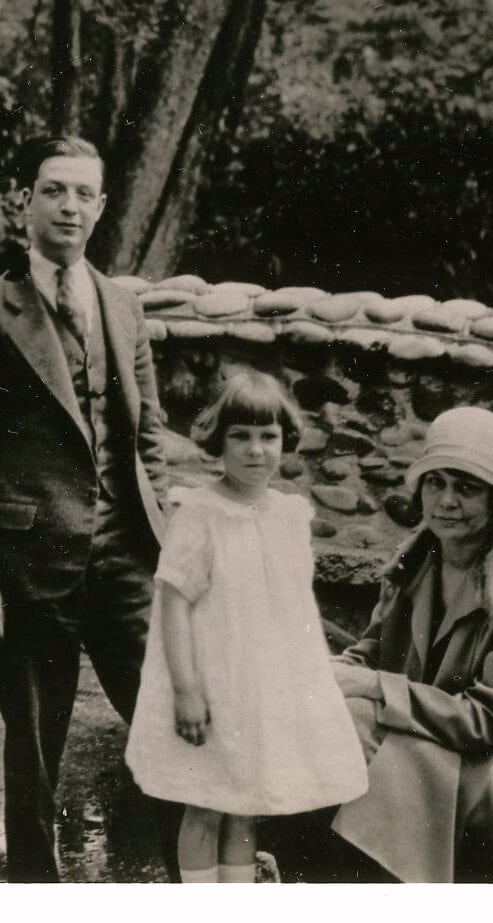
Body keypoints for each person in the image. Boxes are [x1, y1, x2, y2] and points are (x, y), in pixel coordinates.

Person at [0, 136, 173, 882]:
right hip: (31, 563)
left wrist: (164, 538)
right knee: (35, 747)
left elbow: (149, 436)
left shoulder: (123, 307)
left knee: (170, 724)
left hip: (126, 558)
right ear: (26, 203)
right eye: (52, 190)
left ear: (100, 208)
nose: (68, 207)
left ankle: (189, 883)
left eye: (81, 194)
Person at [125, 370, 369, 883]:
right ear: (219, 440)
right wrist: (186, 690)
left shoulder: (289, 516)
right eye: (240, 436)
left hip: (259, 692)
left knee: (245, 804)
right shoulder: (200, 514)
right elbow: (173, 605)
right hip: (213, 688)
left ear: (285, 439)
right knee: (205, 803)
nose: (255, 450)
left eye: (268, 436)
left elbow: (292, 609)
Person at [329, 405, 493, 882]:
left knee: (357, 723)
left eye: (466, 488)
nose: (445, 501)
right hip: (433, 739)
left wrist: (371, 687)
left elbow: (483, 723)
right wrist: (323, 676)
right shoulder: (414, 561)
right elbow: (370, 653)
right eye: (434, 483)